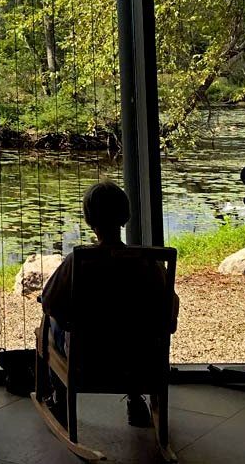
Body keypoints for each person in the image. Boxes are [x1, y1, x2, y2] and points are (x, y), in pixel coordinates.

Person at [39, 180, 180, 429]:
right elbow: (169, 313)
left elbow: (50, 302)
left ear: (89, 219)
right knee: (133, 332)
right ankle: (135, 397)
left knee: (50, 323)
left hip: (89, 360)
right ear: (125, 215)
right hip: (139, 360)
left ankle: (60, 398)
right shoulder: (149, 264)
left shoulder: (79, 262)